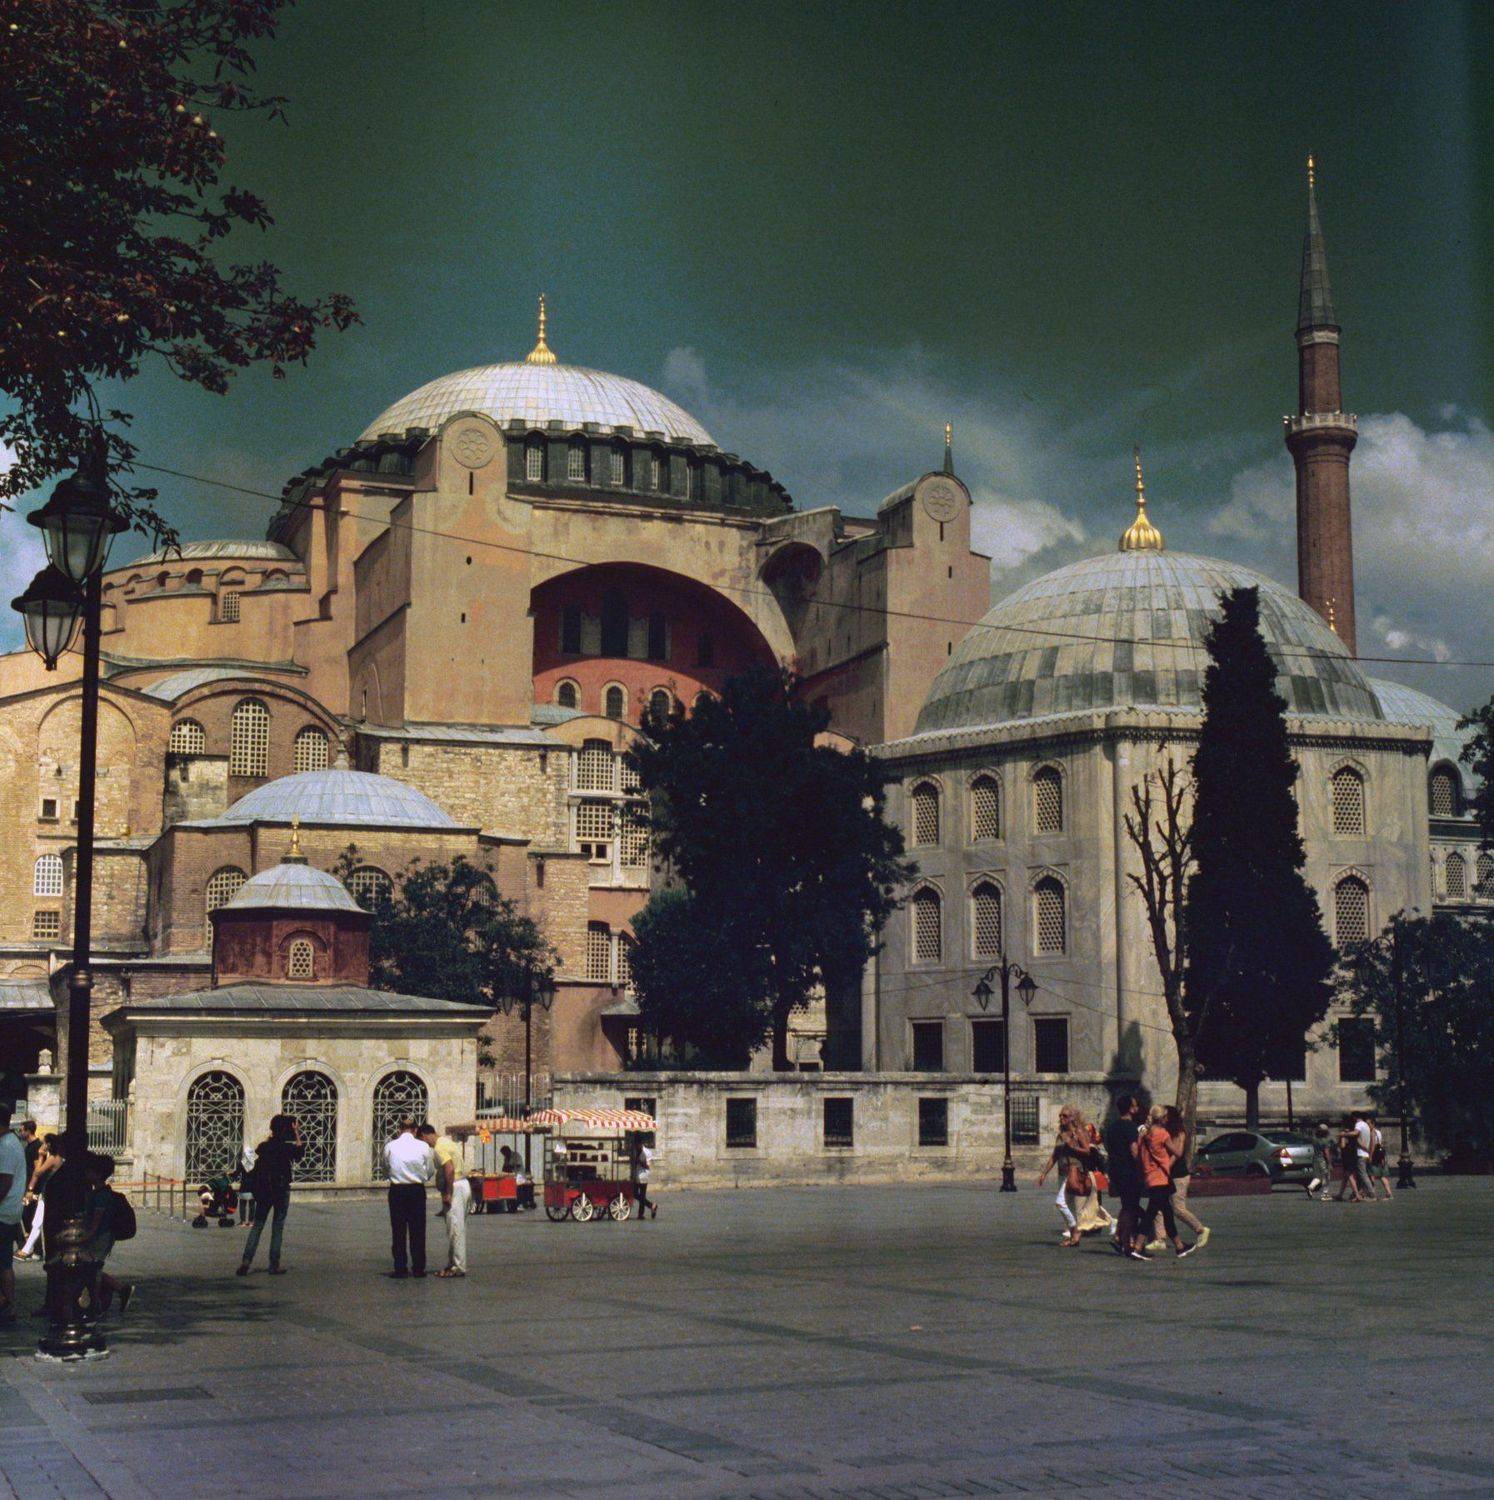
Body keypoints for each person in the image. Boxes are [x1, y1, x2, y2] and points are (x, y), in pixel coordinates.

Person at [237, 1114, 302, 1276]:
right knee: (277, 1227)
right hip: (281, 1190)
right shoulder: (286, 1148)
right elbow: (300, 1152)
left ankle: (246, 1262)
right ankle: (274, 1264)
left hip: (265, 1191)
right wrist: (296, 1133)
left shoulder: (264, 1146)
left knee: (257, 1226)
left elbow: (251, 1163)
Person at [1147, 1106, 1209, 1252]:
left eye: (1166, 1115)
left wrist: (1166, 1167)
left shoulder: (1179, 1132)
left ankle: (1200, 1229)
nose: (1164, 1118)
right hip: (1165, 1174)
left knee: (1178, 1208)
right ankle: (1160, 1239)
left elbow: (1177, 1153)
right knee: (1159, 1207)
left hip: (1178, 1175)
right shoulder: (1161, 1131)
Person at [81, 1152, 134, 1317]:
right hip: (100, 1236)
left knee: (92, 1270)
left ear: (97, 1174)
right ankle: (118, 1290)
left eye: (89, 1171)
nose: (86, 1174)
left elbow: (97, 1221)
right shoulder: (97, 1192)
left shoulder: (102, 1195)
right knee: (91, 1269)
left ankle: (97, 1302)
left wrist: (87, 1236)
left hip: (101, 1237)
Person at [1139, 1105, 1196, 1258]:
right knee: (1151, 1213)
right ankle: (1137, 1247)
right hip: (1161, 1178)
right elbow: (1177, 1152)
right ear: (1163, 1118)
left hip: (1151, 1176)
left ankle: (1179, 1246)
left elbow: (1140, 1154)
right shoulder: (1162, 1134)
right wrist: (1178, 1141)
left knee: (1167, 1212)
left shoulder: (1145, 1135)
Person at [384, 1117, 434, 1278]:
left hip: (397, 1191)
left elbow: (386, 1167)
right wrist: (421, 1178)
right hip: (417, 1191)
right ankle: (418, 1268)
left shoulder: (390, 1146)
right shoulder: (423, 1146)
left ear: (399, 1129)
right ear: (415, 1130)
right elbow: (430, 1170)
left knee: (398, 1230)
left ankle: (400, 1267)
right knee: (418, 1230)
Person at [1036, 1106, 1092, 1247]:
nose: (1061, 1118)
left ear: (1072, 1118)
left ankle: (1075, 1230)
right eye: (1060, 1116)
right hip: (1062, 1172)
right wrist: (1044, 1173)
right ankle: (1074, 1237)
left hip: (1073, 1170)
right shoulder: (1060, 1134)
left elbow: (1087, 1151)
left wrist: (1072, 1147)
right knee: (1070, 1204)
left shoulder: (1078, 1132)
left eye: (1065, 1116)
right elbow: (1055, 1155)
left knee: (1060, 1202)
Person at [420, 1124, 470, 1277]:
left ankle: (459, 1266)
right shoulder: (447, 1142)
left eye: (422, 1140)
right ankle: (452, 1263)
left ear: (424, 1135)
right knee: (455, 1227)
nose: (425, 1144)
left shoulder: (439, 1147)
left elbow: (449, 1168)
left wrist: (448, 1193)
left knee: (455, 1229)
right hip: (462, 1185)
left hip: (455, 1187)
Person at [1103, 1094, 1148, 1261]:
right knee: (1131, 1207)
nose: (1137, 1108)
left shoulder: (1112, 1127)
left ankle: (1122, 1239)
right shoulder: (1130, 1127)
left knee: (1127, 1205)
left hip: (1116, 1171)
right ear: (1130, 1108)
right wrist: (1144, 1167)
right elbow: (1134, 1150)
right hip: (1129, 1172)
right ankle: (1128, 1242)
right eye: (1135, 1105)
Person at [17, 1133, 62, 1262]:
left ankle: (27, 1250)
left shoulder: (53, 1157)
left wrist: (41, 1156)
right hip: (49, 1192)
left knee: (37, 1222)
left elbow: (37, 1171)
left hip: (48, 1193)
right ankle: (30, 1250)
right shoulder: (57, 1157)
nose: (43, 1145)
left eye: (45, 1142)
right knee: (37, 1222)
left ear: (49, 1144)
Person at [0, 1105, 26, 1324]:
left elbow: (4, 1183)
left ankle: (7, 1304)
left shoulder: (7, 1145)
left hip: (3, 1212)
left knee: (4, 1262)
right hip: (8, 1211)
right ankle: (6, 1304)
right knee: (4, 1261)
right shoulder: (11, 1143)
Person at [1073, 1114, 1113, 1237]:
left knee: (1093, 1203)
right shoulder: (1090, 1147)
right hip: (1090, 1176)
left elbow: (1099, 1164)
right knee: (1090, 1203)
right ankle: (1090, 1226)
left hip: (1093, 1177)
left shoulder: (1093, 1148)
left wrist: (1105, 1174)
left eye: (1088, 1132)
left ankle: (1109, 1222)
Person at [1335, 1115, 1366, 1202]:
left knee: (1349, 1175)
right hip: (1354, 1153)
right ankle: (1340, 1194)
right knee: (1346, 1176)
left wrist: (1340, 1138)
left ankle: (1356, 1194)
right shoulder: (1353, 1132)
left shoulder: (1344, 1133)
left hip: (1346, 1155)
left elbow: (1342, 1145)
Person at [1368, 1115, 1394, 1200]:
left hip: (1374, 1156)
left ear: (1373, 1124)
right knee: (1382, 1175)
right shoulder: (1378, 1132)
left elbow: (1372, 1146)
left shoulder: (1371, 1133)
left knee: (1372, 1175)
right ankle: (1388, 1193)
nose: (1367, 1126)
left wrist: (1370, 1156)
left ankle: (1373, 1194)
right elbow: (1380, 1144)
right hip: (1380, 1155)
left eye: (1369, 1124)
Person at [1307, 1122, 1334, 1199]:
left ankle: (1310, 1187)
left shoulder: (1315, 1140)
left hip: (1315, 1159)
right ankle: (1324, 1194)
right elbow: (1326, 1153)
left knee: (1318, 1177)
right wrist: (1329, 1163)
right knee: (1326, 1177)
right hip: (1322, 1160)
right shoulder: (1325, 1141)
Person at [632, 1138, 656, 1220]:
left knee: (641, 1195)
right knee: (635, 1194)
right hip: (636, 1175)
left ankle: (641, 1214)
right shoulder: (635, 1151)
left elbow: (648, 1166)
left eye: (637, 1145)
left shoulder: (647, 1152)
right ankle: (651, 1206)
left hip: (643, 1176)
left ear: (641, 1144)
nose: (636, 1147)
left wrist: (640, 1162)